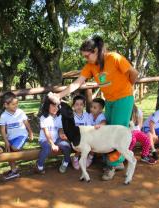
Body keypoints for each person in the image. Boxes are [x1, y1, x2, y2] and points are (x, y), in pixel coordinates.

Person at [50, 35, 138, 180]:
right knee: (107, 130)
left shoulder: (114, 58)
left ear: (96, 50)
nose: (86, 59)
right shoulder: (90, 66)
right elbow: (77, 83)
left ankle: (112, 166)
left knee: (117, 130)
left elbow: (133, 73)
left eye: (87, 55)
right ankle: (118, 161)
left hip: (123, 99)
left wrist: (129, 88)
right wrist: (59, 96)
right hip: (109, 100)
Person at [0, 92, 34, 180]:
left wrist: (30, 133)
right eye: (13, 104)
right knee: (9, 153)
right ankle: (14, 171)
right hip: (11, 137)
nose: (16, 106)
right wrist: (6, 141)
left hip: (22, 135)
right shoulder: (3, 116)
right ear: (6, 105)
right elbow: (2, 130)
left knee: (15, 148)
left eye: (17, 103)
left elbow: (26, 123)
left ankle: (14, 169)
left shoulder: (20, 112)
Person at [36, 97, 72, 174]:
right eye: (53, 106)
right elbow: (46, 133)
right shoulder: (44, 117)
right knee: (47, 148)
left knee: (67, 146)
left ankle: (65, 163)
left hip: (56, 139)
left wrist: (61, 134)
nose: (55, 108)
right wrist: (52, 144)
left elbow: (60, 128)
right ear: (47, 106)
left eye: (57, 106)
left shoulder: (59, 117)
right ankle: (39, 166)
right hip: (45, 140)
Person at [85, 98, 107, 167]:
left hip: (99, 136)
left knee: (93, 143)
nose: (92, 109)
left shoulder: (101, 116)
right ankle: (84, 156)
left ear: (100, 110)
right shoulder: (90, 115)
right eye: (91, 107)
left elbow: (104, 122)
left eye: (95, 108)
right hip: (91, 134)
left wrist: (100, 125)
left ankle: (91, 156)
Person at [71, 95, 90, 170]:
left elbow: (89, 128)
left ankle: (89, 157)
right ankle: (75, 158)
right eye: (77, 104)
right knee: (80, 144)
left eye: (81, 104)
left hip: (86, 136)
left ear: (84, 106)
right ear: (73, 106)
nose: (79, 106)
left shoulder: (87, 115)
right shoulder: (71, 116)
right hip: (75, 137)